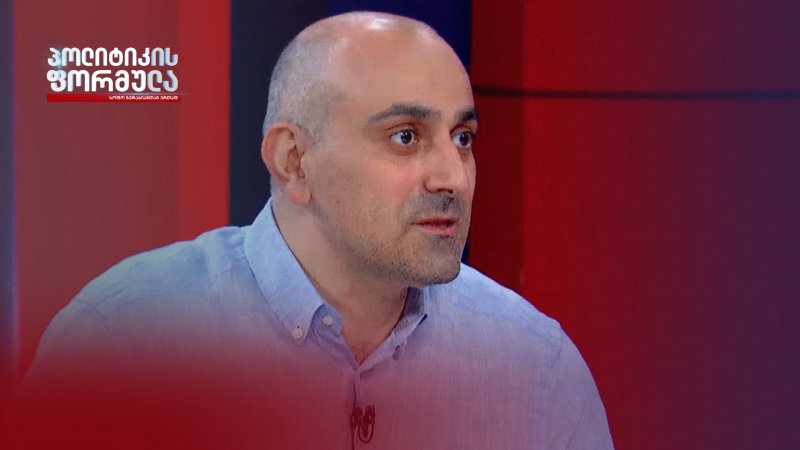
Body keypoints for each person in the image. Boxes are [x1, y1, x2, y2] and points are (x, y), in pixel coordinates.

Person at [6, 11, 614, 450]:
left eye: (462, 138)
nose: (453, 176)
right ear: (294, 161)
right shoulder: (123, 343)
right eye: (405, 137)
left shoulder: (536, 367)